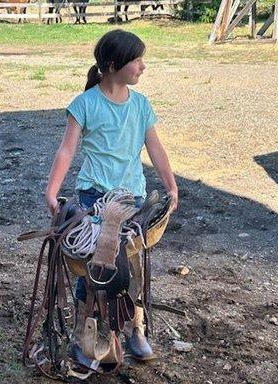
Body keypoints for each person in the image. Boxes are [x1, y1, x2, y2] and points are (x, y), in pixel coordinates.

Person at [45, 29, 178, 365]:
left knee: (132, 262)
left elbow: (155, 148)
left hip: (132, 196)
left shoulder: (142, 105)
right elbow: (67, 150)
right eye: (137, 60)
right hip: (94, 195)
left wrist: (171, 185)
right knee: (93, 264)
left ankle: (135, 328)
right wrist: (51, 191)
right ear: (114, 64)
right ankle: (82, 333)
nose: (143, 67)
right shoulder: (85, 104)